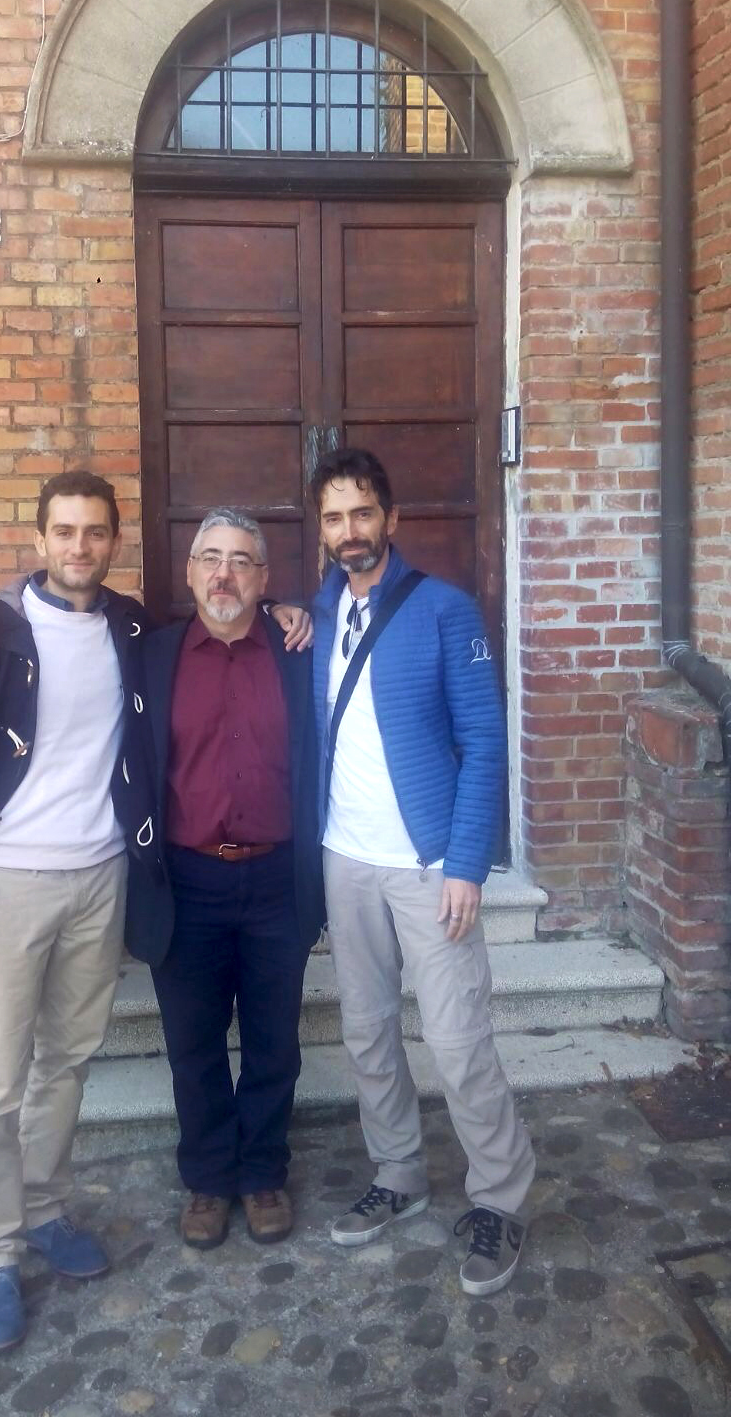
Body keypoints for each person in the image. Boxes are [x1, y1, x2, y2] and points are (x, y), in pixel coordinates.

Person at [0, 471, 310, 1351]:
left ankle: (46, 1210)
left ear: (115, 543)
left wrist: (289, 611)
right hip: (9, 882)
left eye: (94, 532)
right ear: (40, 538)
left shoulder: (130, 631)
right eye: (64, 531)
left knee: (67, 1060)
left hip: (102, 877)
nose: (79, 546)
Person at [309, 447, 535, 1296]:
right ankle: (398, 1171)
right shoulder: (320, 612)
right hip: (345, 858)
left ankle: (502, 1197)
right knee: (368, 1030)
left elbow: (483, 742)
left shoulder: (445, 609)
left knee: (457, 1038)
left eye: (362, 512)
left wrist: (467, 862)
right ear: (323, 530)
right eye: (334, 517)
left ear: (391, 519)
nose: (350, 531)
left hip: (428, 863)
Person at [125, 509, 324, 1250]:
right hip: (187, 881)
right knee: (194, 1043)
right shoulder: (154, 654)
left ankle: (263, 1172)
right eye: (210, 557)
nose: (223, 574)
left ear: (264, 578)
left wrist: (298, 613)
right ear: (189, 571)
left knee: (275, 1041)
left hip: (277, 877)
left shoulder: (300, 651)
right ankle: (209, 1178)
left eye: (241, 561)